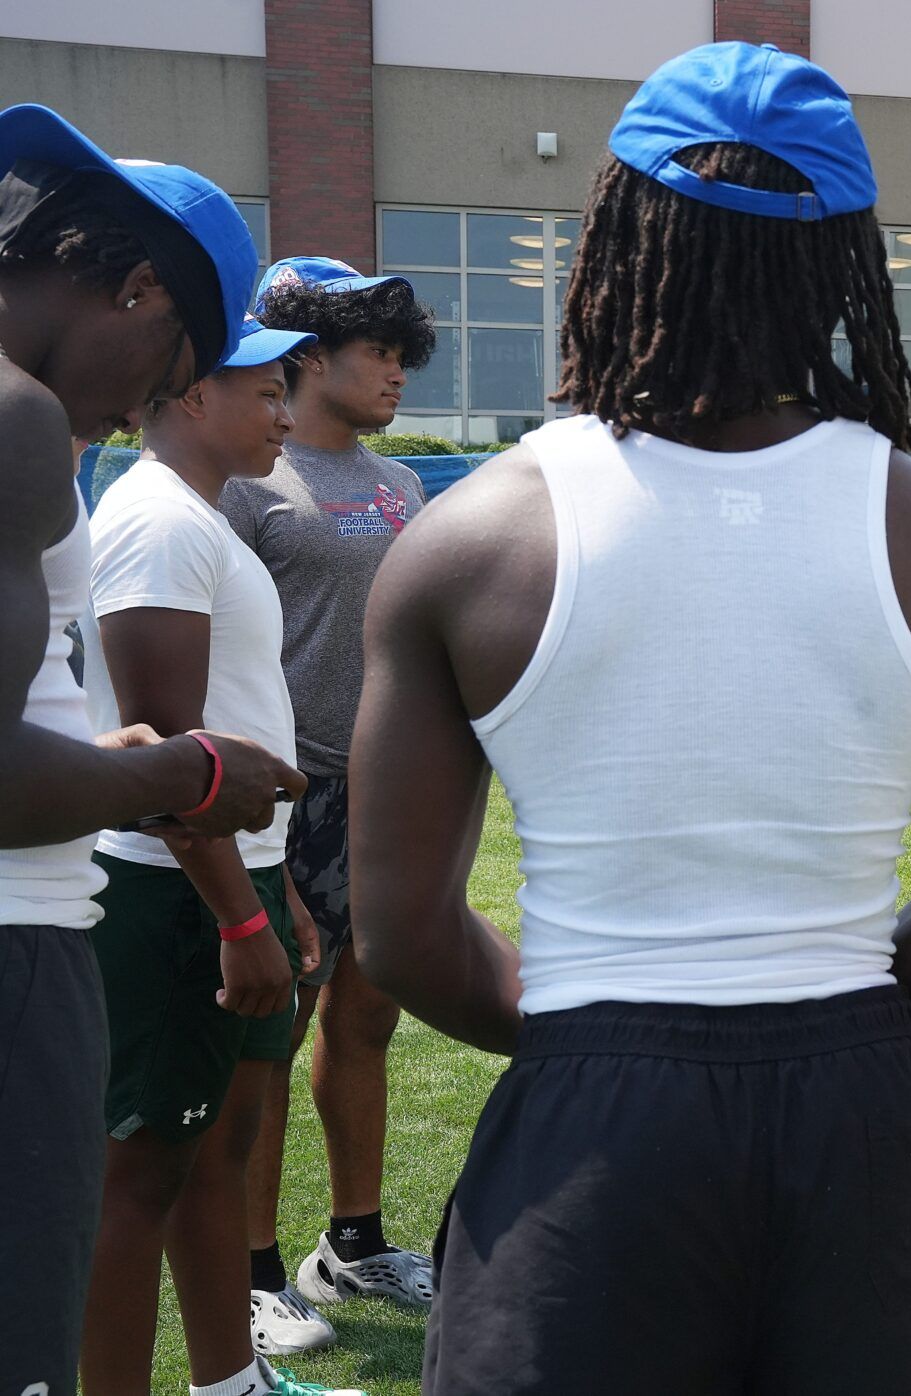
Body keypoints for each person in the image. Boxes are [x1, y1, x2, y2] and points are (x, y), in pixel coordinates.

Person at [348, 42, 911, 1392]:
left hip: (587, 1106)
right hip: (860, 1101)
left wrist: (613, 1032)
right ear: (846, 258)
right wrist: (806, 1010)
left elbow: (403, 934)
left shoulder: (466, 541)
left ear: (615, 233)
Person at [0, 103, 304, 1396]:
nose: (154, 401)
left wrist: (95, 744)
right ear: (133, 288)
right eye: (180, 358)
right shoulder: (20, 422)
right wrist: (188, 776)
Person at [78, 319, 362, 1396]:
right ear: (191, 396)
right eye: (264, 392)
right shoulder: (155, 522)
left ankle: (228, 1383)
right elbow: (168, 756)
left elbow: (233, 732)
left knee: (208, 1160)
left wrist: (275, 891)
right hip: (166, 894)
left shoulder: (198, 520)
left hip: (223, 883)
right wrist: (238, 915)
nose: (286, 414)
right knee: (137, 1177)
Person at [222, 256, 437, 1339]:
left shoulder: (401, 488)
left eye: (404, 354)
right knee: (271, 1029)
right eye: (378, 352)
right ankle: (255, 1272)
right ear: (307, 356)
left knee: (367, 1017)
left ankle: (351, 1246)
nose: (397, 373)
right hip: (278, 792)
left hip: (386, 794)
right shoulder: (246, 479)